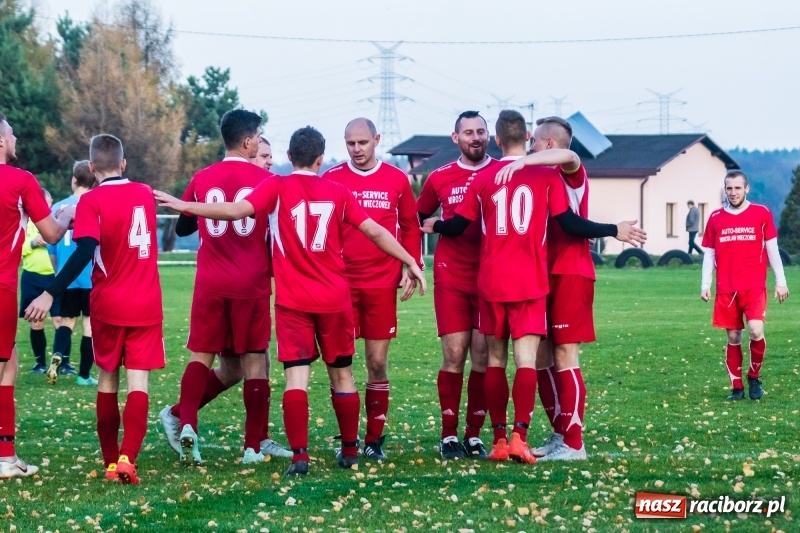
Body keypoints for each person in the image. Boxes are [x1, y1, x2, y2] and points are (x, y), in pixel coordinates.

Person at [155, 126, 426, 476]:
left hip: (294, 303)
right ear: (319, 158)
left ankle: (300, 457)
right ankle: (349, 450)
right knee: (342, 375)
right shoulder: (338, 191)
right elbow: (375, 230)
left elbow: (236, 211)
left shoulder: (277, 186)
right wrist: (410, 261)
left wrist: (185, 205)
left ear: (287, 157)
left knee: (296, 380)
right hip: (335, 299)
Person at [423, 110, 643, 464]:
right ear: (526, 137)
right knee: (534, 359)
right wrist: (611, 230)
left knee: (501, 359)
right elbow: (569, 222)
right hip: (532, 279)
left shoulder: (488, 178)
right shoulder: (546, 177)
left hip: (496, 280)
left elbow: (460, 224)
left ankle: (505, 439)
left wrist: (434, 226)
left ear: (496, 139)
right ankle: (523, 438)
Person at [494, 116, 647, 461]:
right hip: (542, 275)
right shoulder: (543, 178)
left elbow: (569, 166)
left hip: (571, 271)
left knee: (565, 356)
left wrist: (523, 159)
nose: (529, 147)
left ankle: (575, 443)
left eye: (534, 144)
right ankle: (560, 433)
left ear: (548, 145)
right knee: (544, 356)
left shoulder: (570, 172)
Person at [25, 134, 164, 484]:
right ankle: (128, 459)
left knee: (107, 380)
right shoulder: (145, 193)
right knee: (139, 384)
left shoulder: (92, 201)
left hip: (109, 302)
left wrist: (49, 294)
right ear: (124, 163)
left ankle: (109, 462)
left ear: (90, 167)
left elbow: (85, 250)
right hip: (146, 302)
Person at [160, 109, 289, 466]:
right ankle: (252, 446)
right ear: (248, 141)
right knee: (254, 363)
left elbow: (184, 228)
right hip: (251, 281)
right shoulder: (268, 181)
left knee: (202, 355)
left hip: (211, 281)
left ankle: (186, 422)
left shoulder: (203, 176)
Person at [322, 117, 422, 461]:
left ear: (376, 140)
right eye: (350, 143)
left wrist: (411, 264)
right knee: (340, 362)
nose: (357, 149)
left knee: (377, 362)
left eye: (363, 142)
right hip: (341, 284)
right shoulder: (332, 178)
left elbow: (410, 225)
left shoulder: (396, 179)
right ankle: (348, 439)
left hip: (381, 283)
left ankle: (374, 440)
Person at [416, 110, 493, 460]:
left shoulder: (502, 172)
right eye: (468, 133)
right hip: (451, 276)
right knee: (453, 354)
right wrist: (412, 260)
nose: (475, 137)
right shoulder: (440, 177)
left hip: (492, 277)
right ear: (455, 138)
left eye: (480, 131)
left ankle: (473, 434)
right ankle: (448, 435)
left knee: (482, 356)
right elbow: (417, 217)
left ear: (488, 135)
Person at [0, 112, 73, 478]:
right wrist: (68, 214)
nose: (15, 140)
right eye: (11, 134)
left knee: (9, 362)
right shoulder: (20, 180)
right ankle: (3, 457)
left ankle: (7, 454)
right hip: (0, 286)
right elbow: (52, 233)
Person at [700, 170, 789, 401]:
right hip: (726, 288)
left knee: (756, 330)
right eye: (729, 188)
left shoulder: (761, 213)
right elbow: (709, 254)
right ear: (725, 190)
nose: (733, 192)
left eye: (738, 188)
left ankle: (754, 375)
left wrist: (781, 282)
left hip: (754, 286)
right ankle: (737, 387)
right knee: (733, 338)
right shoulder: (715, 218)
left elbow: (772, 250)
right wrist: (705, 284)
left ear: (746, 189)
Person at [48, 161, 97, 386]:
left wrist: (59, 274)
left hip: (66, 278)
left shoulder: (58, 206)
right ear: (93, 180)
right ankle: (84, 376)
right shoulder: (95, 205)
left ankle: (58, 353)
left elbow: (52, 246)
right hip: (90, 276)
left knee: (67, 321)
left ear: (73, 180)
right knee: (89, 325)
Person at [18, 189, 57, 375]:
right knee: (36, 321)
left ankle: (63, 363)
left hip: (55, 278)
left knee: (61, 320)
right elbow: (17, 247)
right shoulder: (26, 222)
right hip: (32, 276)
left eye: (46, 202)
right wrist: (33, 243)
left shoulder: (57, 221)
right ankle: (40, 363)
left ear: (51, 202)